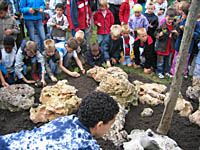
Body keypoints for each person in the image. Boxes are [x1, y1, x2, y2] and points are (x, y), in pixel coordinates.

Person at [0, 91, 119, 150]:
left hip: (8, 142)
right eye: (110, 124)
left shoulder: (66, 120)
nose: (109, 128)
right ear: (99, 125)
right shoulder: (87, 146)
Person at [170, 7, 200, 78]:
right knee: (176, 58)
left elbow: (197, 34)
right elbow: (179, 31)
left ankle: (184, 73)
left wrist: (187, 30)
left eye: (183, 14)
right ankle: (174, 71)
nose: (182, 16)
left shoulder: (196, 23)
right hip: (179, 43)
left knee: (185, 59)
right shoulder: (182, 20)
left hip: (188, 45)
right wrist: (177, 32)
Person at [155, 8, 179, 79]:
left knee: (168, 61)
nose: (170, 21)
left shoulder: (175, 25)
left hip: (170, 46)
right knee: (160, 61)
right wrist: (159, 35)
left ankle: (166, 71)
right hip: (162, 47)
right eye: (169, 19)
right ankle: (159, 71)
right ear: (166, 16)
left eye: (171, 19)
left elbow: (177, 36)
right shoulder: (162, 25)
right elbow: (156, 32)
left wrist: (176, 33)